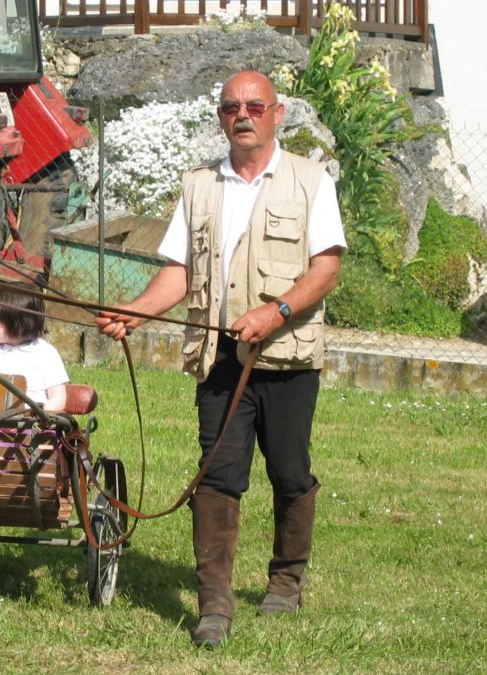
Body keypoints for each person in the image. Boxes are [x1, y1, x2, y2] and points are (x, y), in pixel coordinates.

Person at [96, 70, 346, 648]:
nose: (244, 115)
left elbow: (326, 269)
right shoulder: (199, 185)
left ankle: (286, 581)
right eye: (233, 106)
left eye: (255, 106)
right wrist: (136, 312)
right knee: (217, 476)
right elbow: (180, 273)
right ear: (221, 117)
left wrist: (274, 312)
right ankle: (214, 606)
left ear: (277, 114)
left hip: (287, 360)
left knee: (289, 471)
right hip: (219, 361)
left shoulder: (311, 183)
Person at [0, 284, 69, 411]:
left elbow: (58, 397)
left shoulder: (45, 353)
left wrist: (42, 415)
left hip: (33, 425)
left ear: (17, 325)